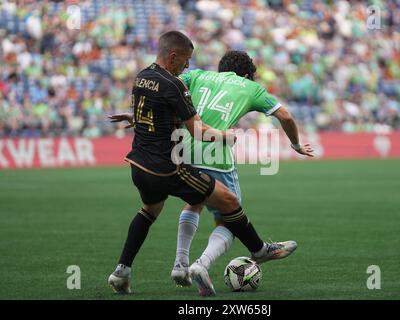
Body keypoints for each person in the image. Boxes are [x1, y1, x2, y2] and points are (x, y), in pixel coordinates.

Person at [107, 31, 298, 297]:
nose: (187, 66)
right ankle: (258, 250)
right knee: (229, 202)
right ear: (173, 57)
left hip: (138, 164)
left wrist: (134, 116)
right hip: (168, 168)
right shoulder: (174, 84)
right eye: (185, 61)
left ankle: (122, 272)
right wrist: (226, 136)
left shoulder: (142, 77)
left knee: (150, 210)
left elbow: (151, 111)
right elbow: (197, 129)